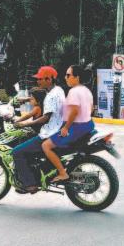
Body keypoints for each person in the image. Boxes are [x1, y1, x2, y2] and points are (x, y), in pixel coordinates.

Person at [12, 66, 65, 194]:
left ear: (49, 79)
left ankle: (30, 184)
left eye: (40, 79)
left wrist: (24, 124)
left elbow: (45, 118)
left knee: (17, 152)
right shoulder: (58, 90)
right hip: (57, 130)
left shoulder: (51, 96)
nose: (38, 81)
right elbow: (38, 95)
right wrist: (26, 99)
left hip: (49, 133)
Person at [42, 64, 95, 184]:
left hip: (76, 128)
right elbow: (91, 109)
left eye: (68, 75)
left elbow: (74, 111)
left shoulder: (74, 91)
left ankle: (62, 173)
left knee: (46, 146)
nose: (65, 78)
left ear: (77, 77)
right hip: (88, 125)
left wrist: (66, 127)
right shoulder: (86, 90)